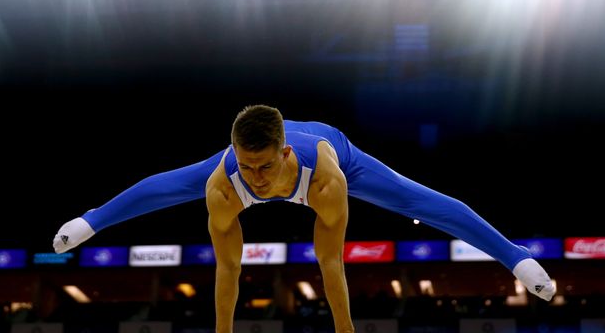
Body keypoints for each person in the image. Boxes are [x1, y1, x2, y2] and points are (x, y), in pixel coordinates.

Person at [53, 105, 555, 333]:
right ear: (234, 153)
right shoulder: (225, 182)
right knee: (173, 183)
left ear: (284, 152)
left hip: (333, 149)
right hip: (236, 163)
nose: (259, 179)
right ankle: (92, 219)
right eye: (247, 166)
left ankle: (516, 258)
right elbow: (229, 268)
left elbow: (330, 262)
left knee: (414, 198)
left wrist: (344, 328)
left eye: (266, 166)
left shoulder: (325, 180)